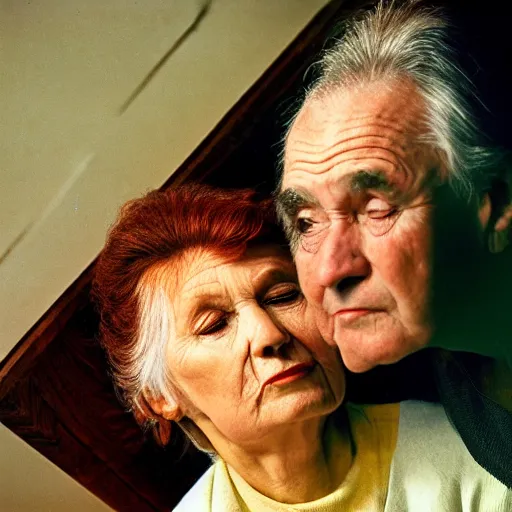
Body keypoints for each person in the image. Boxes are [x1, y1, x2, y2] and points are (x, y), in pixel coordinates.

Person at [92, 183, 510, 510]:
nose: (270, 336)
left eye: (282, 297)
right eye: (214, 324)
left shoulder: (476, 451)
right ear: (158, 397)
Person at [276, 0, 512, 487]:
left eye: (376, 207)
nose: (328, 271)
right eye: (305, 222)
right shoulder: (449, 362)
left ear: (497, 201)